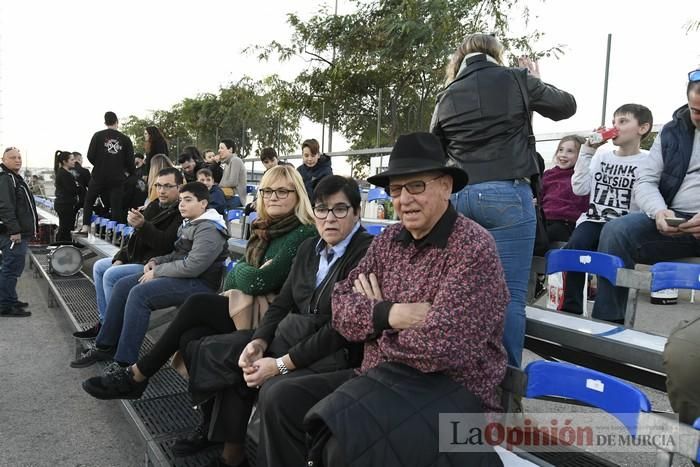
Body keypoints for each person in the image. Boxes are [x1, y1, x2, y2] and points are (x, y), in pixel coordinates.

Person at [295, 133, 509, 467]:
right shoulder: (388, 241)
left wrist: (375, 329)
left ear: (446, 186)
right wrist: (391, 315)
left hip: (452, 393)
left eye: (416, 186)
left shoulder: (473, 248)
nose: (404, 199)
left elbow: (443, 347)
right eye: (396, 189)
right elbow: (340, 307)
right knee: (280, 400)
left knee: (340, 442)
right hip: (382, 378)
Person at [80, 167, 317, 463]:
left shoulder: (303, 232)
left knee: (197, 306)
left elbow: (258, 282)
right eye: (268, 191)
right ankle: (207, 426)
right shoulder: (264, 230)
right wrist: (250, 272)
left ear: (298, 195)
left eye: (283, 191)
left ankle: (137, 374)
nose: (273, 197)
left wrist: (249, 272)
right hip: (246, 308)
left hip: (274, 318)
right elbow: (239, 278)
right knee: (193, 338)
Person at [430, 33, 576, 367]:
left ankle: (460, 374)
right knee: (509, 296)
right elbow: (566, 106)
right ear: (497, 54)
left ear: (460, 57)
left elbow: (434, 150)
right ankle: (505, 383)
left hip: (460, 197)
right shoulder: (518, 79)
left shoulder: (447, 94)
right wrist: (537, 81)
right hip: (508, 194)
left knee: (459, 292)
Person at [72, 182, 229, 369]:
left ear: (203, 204)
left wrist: (158, 272)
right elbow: (176, 255)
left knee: (140, 294)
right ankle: (105, 345)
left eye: (188, 200)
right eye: (180, 200)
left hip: (200, 284)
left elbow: (193, 267)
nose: (182, 205)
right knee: (123, 285)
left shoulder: (209, 229)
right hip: (185, 277)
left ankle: (124, 361)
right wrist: (157, 261)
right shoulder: (192, 223)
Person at [591, 72, 700, 323]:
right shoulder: (673, 131)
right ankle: (608, 327)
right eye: (696, 110)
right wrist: (659, 211)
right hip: (676, 220)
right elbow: (646, 181)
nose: (699, 117)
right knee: (616, 231)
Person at [561, 104, 653, 317]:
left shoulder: (649, 160)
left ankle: (610, 314)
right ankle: (570, 309)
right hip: (595, 219)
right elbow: (580, 188)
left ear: (643, 128)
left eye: (623, 122)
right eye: (613, 122)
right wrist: (586, 151)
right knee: (574, 247)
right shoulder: (602, 156)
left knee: (612, 257)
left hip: (624, 223)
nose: (615, 127)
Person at [73, 168, 184, 339]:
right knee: (100, 266)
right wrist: (121, 257)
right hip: (140, 258)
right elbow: (135, 239)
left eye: (168, 186)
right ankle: (105, 323)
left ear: (180, 187)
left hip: (157, 265)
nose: (162, 191)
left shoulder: (181, 212)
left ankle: (115, 330)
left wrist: (142, 226)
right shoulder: (154, 205)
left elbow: (165, 245)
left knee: (111, 275)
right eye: (158, 185)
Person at [78, 111, 135, 232]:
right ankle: (116, 232)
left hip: (99, 175)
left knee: (89, 200)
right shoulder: (125, 139)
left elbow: (90, 155)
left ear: (105, 122)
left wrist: (100, 164)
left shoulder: (97, 136)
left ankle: (85, 226)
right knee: (116, 206)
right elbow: (130, 161)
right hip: (117, 177)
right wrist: (122, 169)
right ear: (117, 122)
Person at [0, 147, 37, 317]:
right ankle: (5, 305)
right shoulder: (6, 178)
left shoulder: (14, 178)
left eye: (19, 157)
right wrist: (14, 230)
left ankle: (11, 299)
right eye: (13, 157)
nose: (18, 160)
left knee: (14, 268)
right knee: (10, 269)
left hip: (18, 232)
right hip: (13, 235)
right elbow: (6, 206)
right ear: (4, 160)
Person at [540, 135, 589, 243]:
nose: (563, 155)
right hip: (544, 220)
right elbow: (539, 197)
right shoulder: (548, 174)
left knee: (549, 234)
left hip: (566, 223)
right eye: (560, 150)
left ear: (581, 155)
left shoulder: (582, 177)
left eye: (570, 151)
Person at [53, 150, 80, 242]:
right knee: (65, 228)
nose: (74, 162)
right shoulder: (64, 174)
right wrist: (79, 187)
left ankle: (62, 245)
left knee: (65, 227)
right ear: (65, 161)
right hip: (65, 205)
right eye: (72, 160)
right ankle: (63, 246)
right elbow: (72, 190)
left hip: (63, 204)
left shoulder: (63, 172)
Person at [218, 139, 247, 209]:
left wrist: (217, 187)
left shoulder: (235, 160)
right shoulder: (227, 163)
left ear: (230, 149)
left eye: (222, 148)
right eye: (219, 148)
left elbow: (232, 182)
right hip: (228, 196)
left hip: (235, 198)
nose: (219, 151)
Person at [71, 151, 91, 217]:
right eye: (82, 159)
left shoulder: (66, 171)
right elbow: (90, 185)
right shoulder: (85, 171)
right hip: (82, 199)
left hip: (69, 200)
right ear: (79, 159)